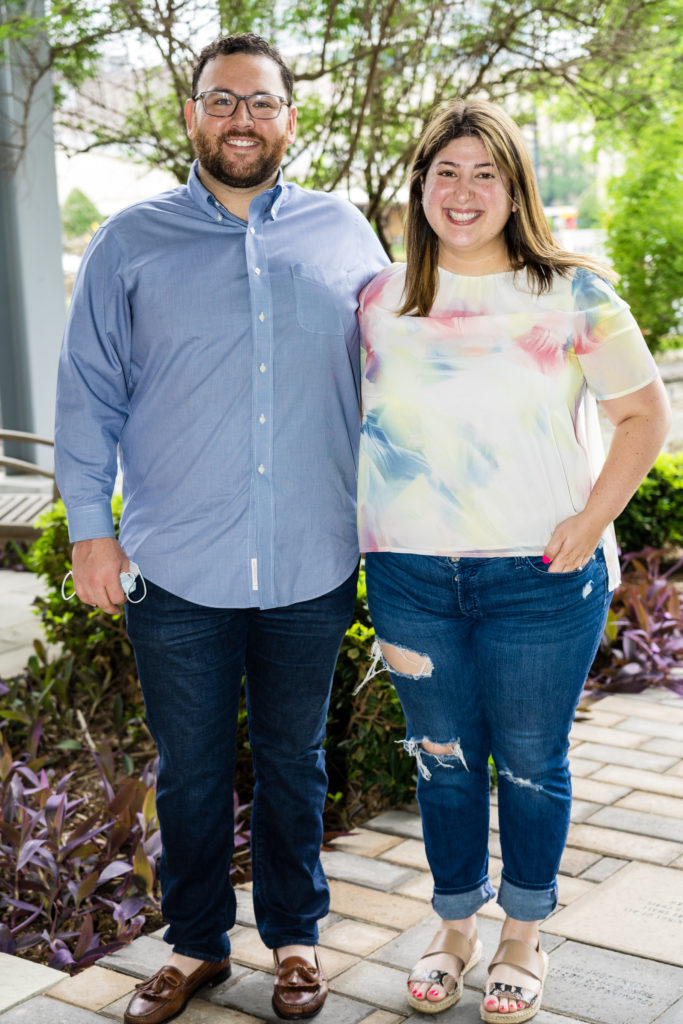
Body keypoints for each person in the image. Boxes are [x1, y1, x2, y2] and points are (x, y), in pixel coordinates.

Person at [54, 33, 387, 1024]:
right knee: (190, 768)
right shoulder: (129, 240)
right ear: (191, 115)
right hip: (176, 565)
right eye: (221, 100)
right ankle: (196, 944)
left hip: (313, 558)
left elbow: (392, 379)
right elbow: (86, 399)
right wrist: (88, 530)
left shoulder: (344, 233)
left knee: (295, 762)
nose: (241, 117)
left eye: (260, 102)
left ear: (291, 119)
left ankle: (294, 940)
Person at [357, 98, 670, 1022]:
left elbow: (643, 417)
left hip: (538, 577)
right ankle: (453, 926)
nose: (462, 192)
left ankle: (523, 935)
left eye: (483, 173)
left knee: (531, 761)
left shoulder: (573, 292)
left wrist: (589, 519)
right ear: (419, 186)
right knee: (441, 760)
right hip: (410, 574)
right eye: (444, 172)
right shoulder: (381, 299)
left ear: (514, 187)